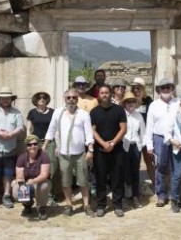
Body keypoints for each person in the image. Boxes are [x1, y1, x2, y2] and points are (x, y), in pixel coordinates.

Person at [43, 88, 96, 217]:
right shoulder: (57, 113)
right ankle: (69, 205)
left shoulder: (83, 114)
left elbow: (89, 133)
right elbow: (51, 130)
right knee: (66, 182)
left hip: (80, 154)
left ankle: (86, 205)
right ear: (64, 99)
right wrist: (44, 147)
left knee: (83, 181)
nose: (71, 100)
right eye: (69, 97)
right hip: (63, 154)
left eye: (74, 97)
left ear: (77, 99)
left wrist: (90, 150)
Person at [90, 84, 127, 217]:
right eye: (102, 93)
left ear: (111, 94)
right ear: (99, 95)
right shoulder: (94, 112)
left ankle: (117, 205)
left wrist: (112, 143)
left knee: (117, 178)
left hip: (116, 149)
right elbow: (92, 131)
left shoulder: (119, 110)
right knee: (100, 178)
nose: (104, 95)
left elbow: (123, 129)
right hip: (100, 150)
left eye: (107, 92)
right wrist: (103, 144)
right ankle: (101, 205)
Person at [0, 87, 25, 209]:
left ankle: (6, 196)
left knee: (8, 174)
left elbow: (21, 127)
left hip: (10, 148)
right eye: (3, 98)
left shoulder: (16, 112)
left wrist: (11, 134)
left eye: (8, 98)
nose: (5, 100)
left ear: (11, 99)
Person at [144, 78, 180, 207]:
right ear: (159, 90)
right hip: (158, 138)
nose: (165, 90)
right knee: (160, 167)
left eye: (168, 87)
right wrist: (149, 145)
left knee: (175, 166)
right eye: (163, 88)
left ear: (171, 89)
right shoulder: (154, 105)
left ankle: (174, 193)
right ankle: (161, 195)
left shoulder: (178, 103)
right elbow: (149, 126)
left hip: (175, 138)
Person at [27, 91, 58, 206]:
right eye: (39, 98)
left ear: (47, 100)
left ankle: (50, 196)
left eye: (44, 98)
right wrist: (29, 142)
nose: (41, 99)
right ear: (36, 100)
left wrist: (57, 145)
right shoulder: (32, 112)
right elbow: (28, 129)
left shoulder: (53, 112)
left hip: (50, 142)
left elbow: (56, 129)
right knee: (36, 168)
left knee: (52, 169)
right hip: (35, 143)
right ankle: (37, 194)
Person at [12, 134, 52, 221]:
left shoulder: (44, 156)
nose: (32, 146)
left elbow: (44, 175)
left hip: (40, 182)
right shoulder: (22, 158)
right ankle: (27, 204)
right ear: (26, 147)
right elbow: (19, 176)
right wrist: (22, 184)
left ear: (38, 145)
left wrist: (33, 181)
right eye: (29, 145)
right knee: (15, 188)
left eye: (35, 144)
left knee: (43, 185)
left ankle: (41, 209)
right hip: (27, 183)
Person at [121, 90, 146, 208]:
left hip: (135, 146)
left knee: (135, 172)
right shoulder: (121, 114)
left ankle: (135, 196)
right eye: (128, 101)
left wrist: (141, 145)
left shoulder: (139, 115)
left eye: (132, 101)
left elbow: (143, 131)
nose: (131, 103)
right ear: (125, 103)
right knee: (125, 173)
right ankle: (126, 196)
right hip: (124, 146)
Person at [131, 77, 155, 186]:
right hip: (134, 137)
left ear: (143, 88)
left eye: (139, 88)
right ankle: (135, 187)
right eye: (134, 88)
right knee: (134, 163)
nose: (136, 90)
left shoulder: (148, 101)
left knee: (149, 161)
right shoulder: (130, 101)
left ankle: (156, 184)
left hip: (146, 135)